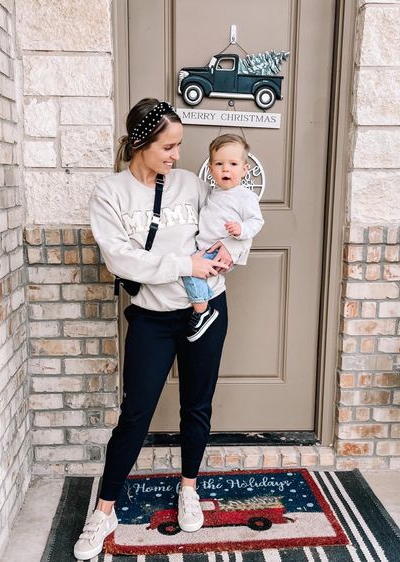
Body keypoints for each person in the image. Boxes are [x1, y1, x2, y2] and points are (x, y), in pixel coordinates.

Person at [73, 98, 241, 560]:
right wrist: (182, 263)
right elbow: (122, 259)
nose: (176, 156)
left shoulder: (189, 184)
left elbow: (222, 227)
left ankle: (189, 485)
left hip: (204, 307)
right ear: (142, 144)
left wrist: (227, 252)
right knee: (136, 413)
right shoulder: (111, 193)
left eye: (179, 146)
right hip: (151, 317)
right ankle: (105, 510)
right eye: (168, 146)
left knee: (197, 405)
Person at [183, 134, 264, 342]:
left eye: (233, 164)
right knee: (190, 268)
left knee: (191, 273)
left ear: (245, 169)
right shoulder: (212, 193)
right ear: (210, 170)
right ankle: (203, 301)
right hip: (204, 248)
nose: (226, 169)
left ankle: (202, 311)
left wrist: (241, 229)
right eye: (219, 164)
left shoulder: (245, 196)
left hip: (217, 252)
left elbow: (257, 222)